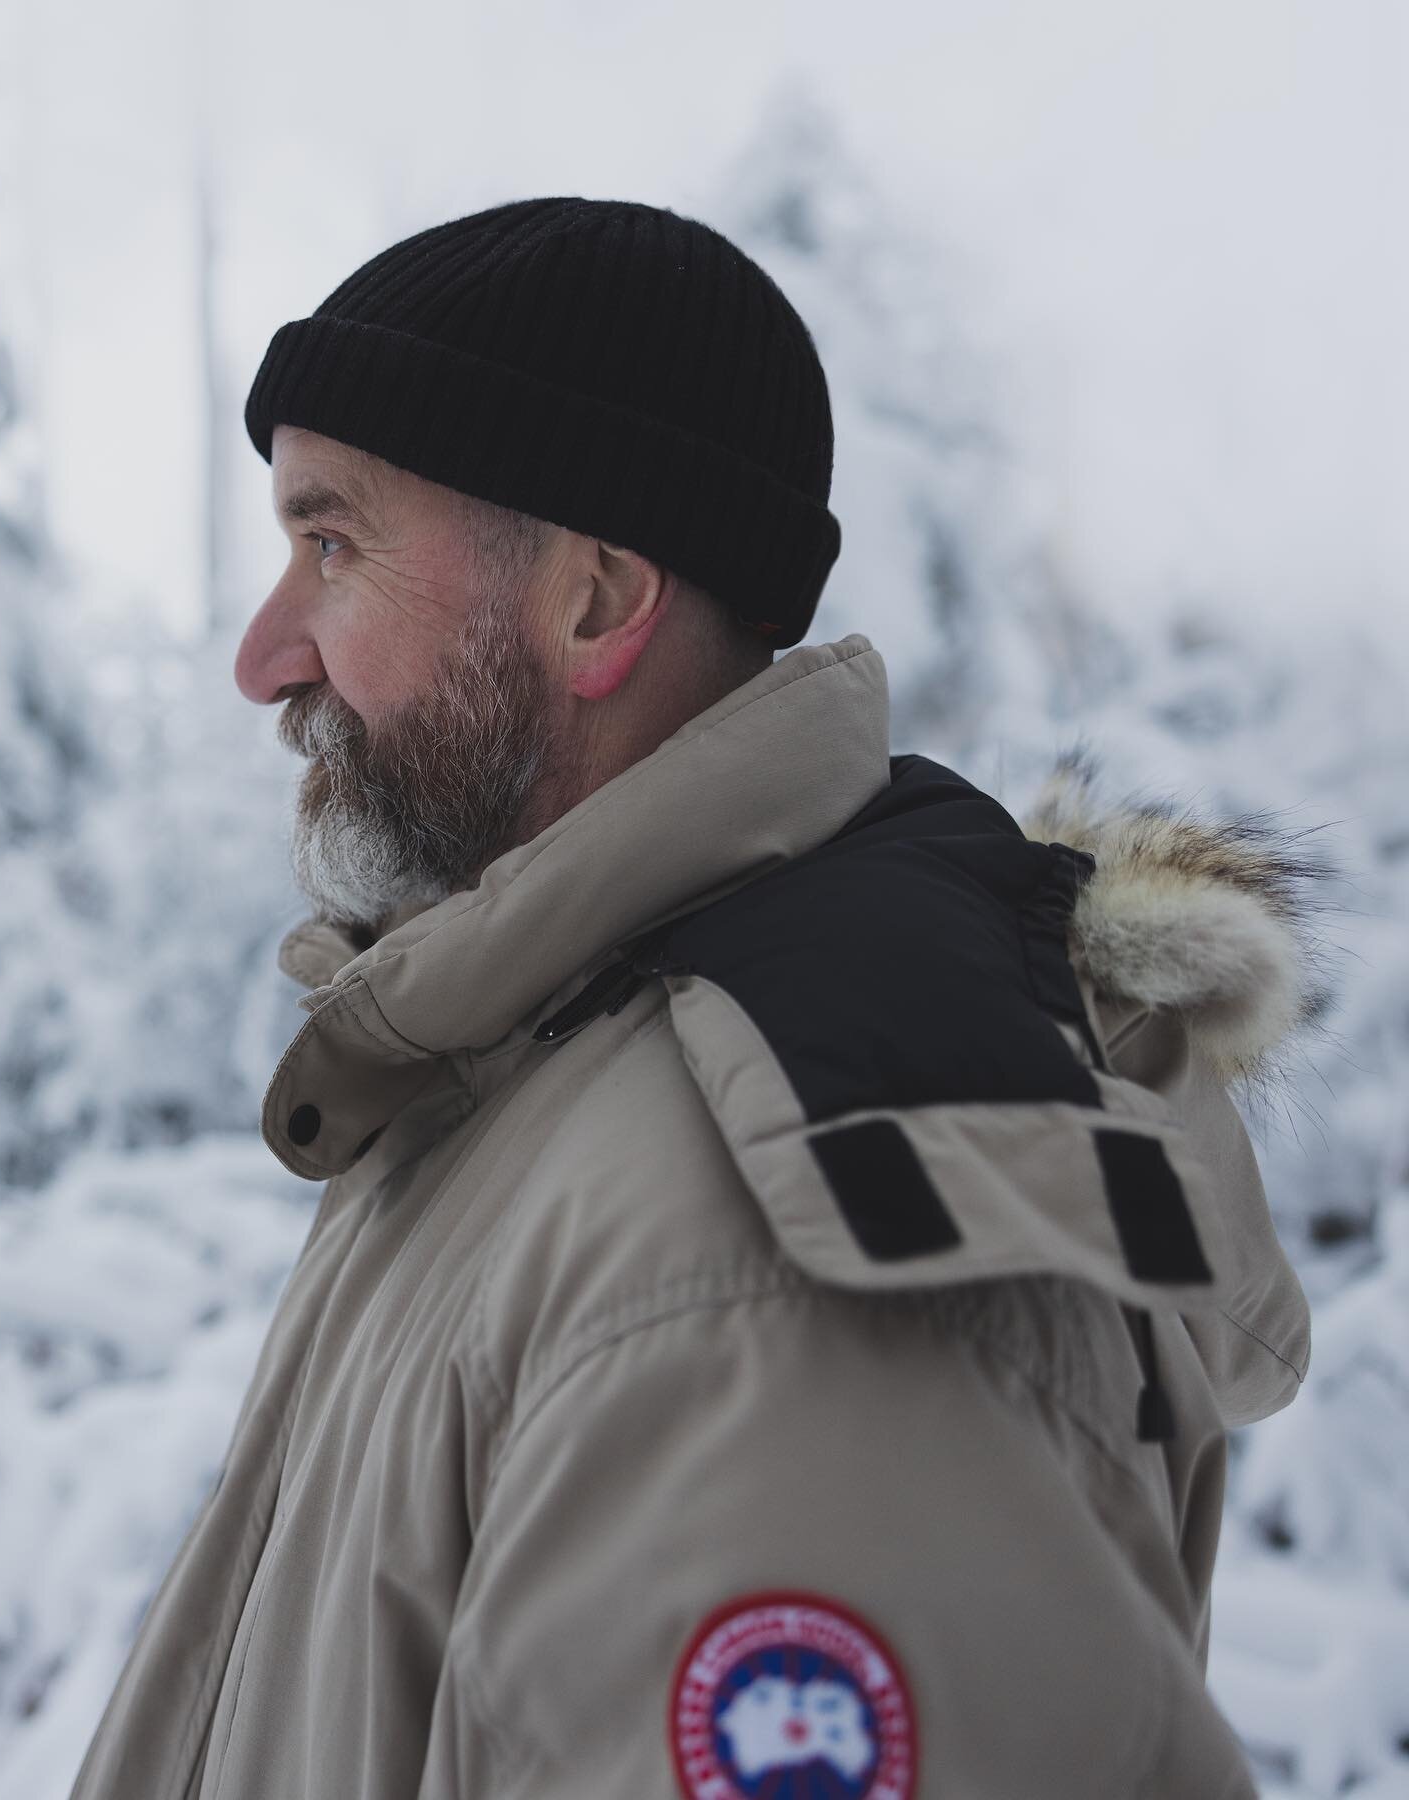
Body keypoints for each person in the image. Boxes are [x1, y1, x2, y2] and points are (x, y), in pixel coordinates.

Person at [70, 196, 1316, 1800]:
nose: (264, 654)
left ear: (594, 603)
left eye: (332, 542)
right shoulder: (540, 1065)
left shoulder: (757, 1253)